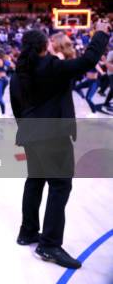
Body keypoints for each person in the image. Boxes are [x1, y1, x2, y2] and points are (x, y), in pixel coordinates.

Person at [10, 23, 110, 269]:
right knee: (59, 185)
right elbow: (87, 62)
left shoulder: (20, 72)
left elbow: (16, 107)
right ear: (46, 46)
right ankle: (50, 244)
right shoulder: (51, 67)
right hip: (53, 136)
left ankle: (28, 232)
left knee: (35, 180)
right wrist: (101, 34)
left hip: (31, 134)